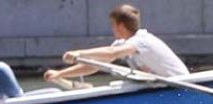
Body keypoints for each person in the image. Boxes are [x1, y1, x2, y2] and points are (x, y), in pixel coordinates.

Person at [43, 4, 189, 84]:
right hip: (161, 88)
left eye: (112, 24)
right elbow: (94, 65)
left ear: (120, 26)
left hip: (181, 85)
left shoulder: (142, 41)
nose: (112, 28)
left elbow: (112, 53)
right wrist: (60, 74)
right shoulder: (122, 43)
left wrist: (79, 53)